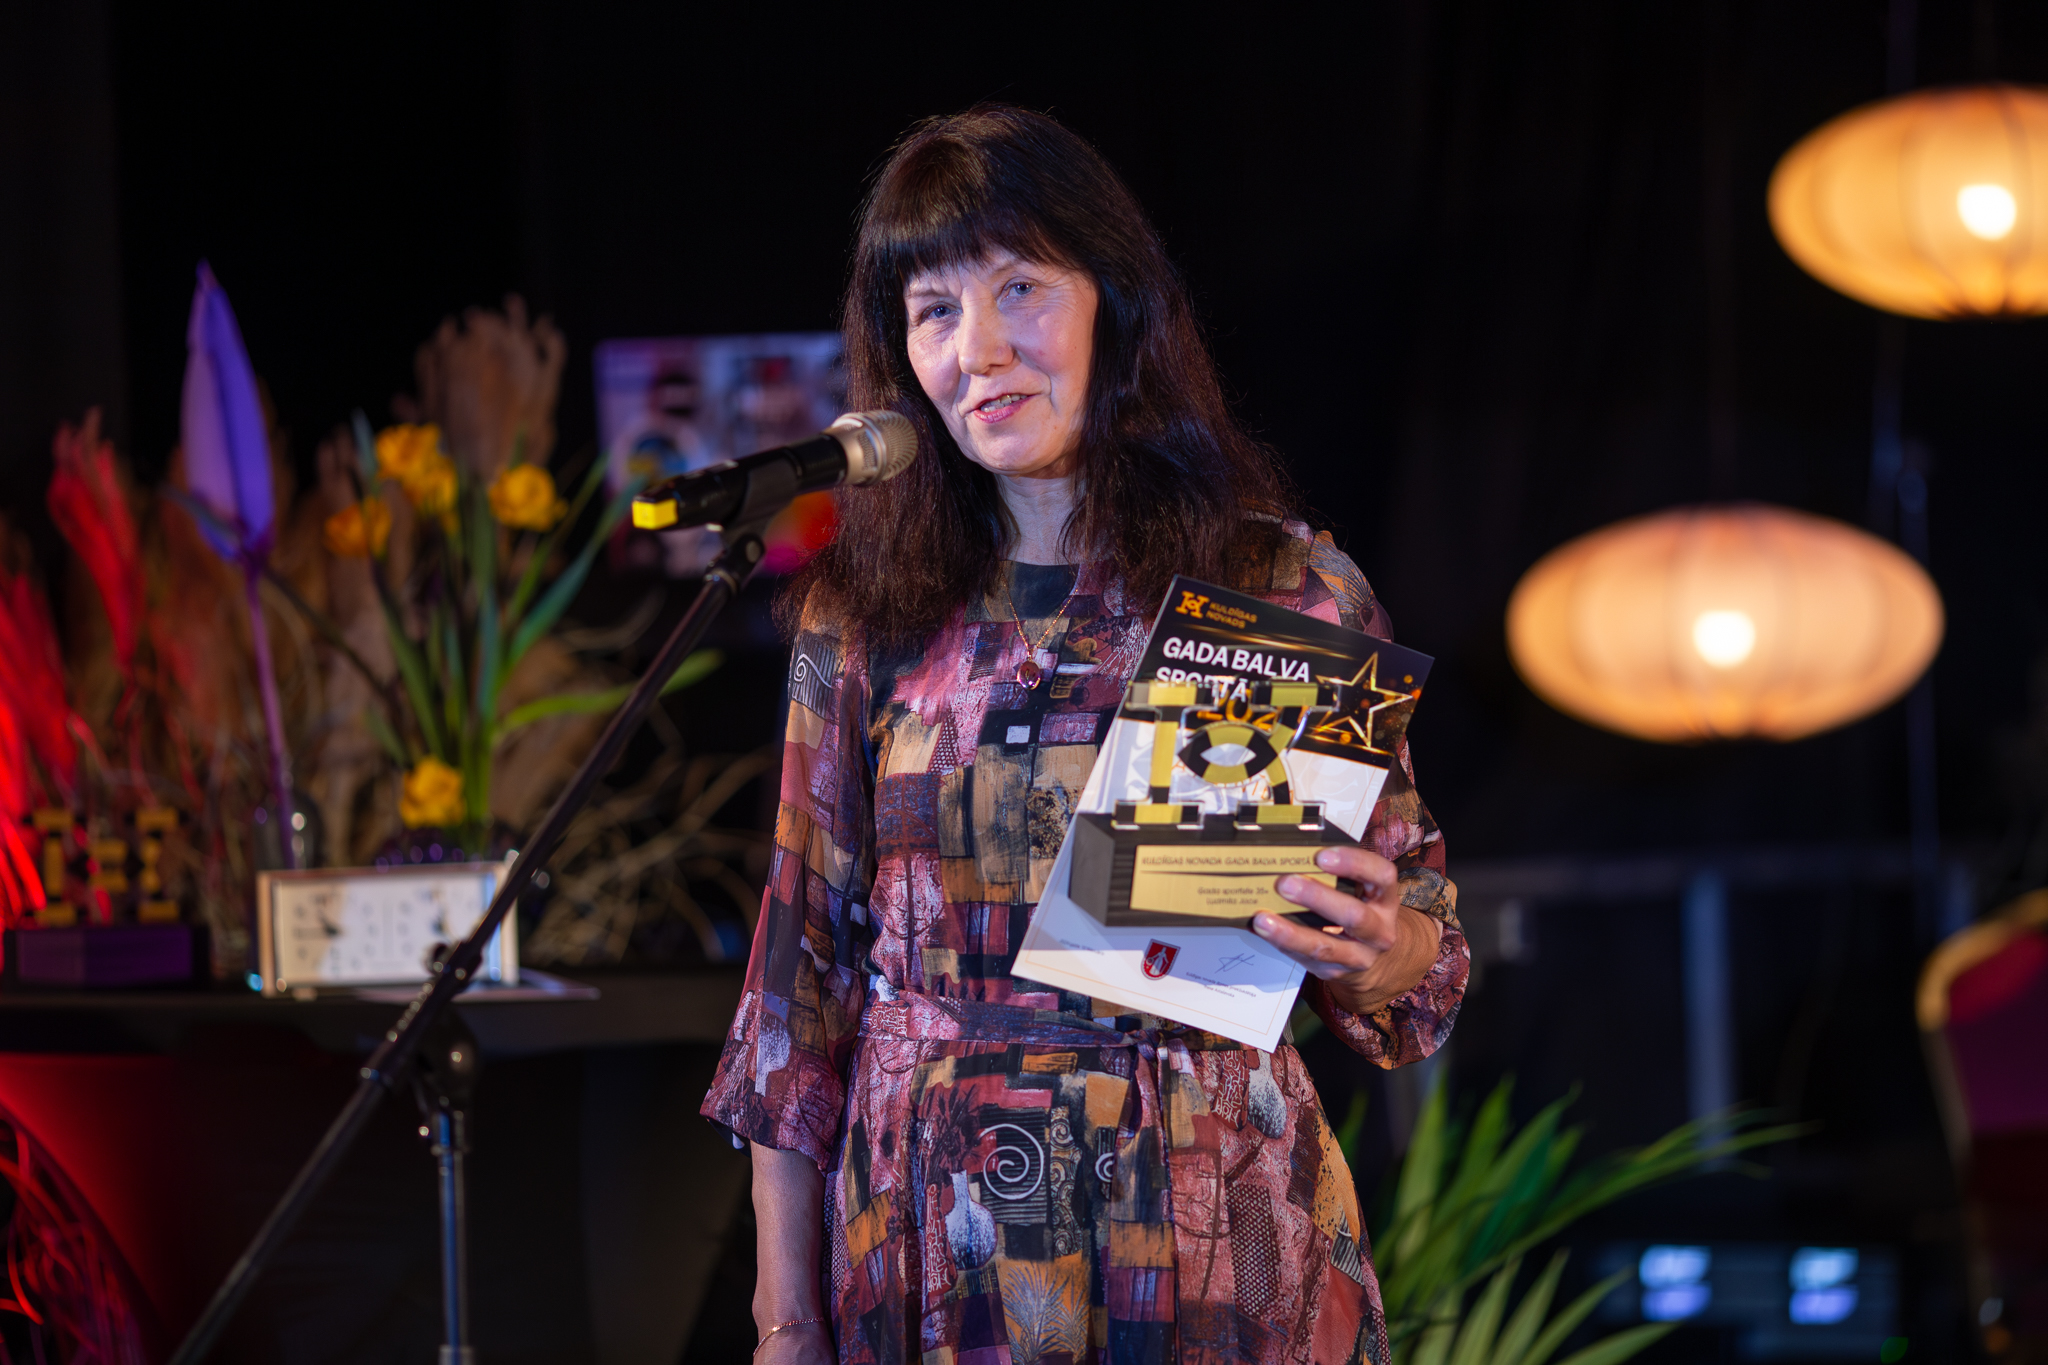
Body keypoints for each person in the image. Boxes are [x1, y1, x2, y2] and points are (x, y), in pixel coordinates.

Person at [703, 105, 1468, 1365]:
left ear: (1112, 300)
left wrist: (1379, 949)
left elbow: (1420, 955)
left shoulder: (1271, 589)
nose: (979, 348)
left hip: (1210, 1224)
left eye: (1019, 287)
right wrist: (784, 1320)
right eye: (933, 309)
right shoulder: (863, 618)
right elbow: (795, 999)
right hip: (935, 1235)